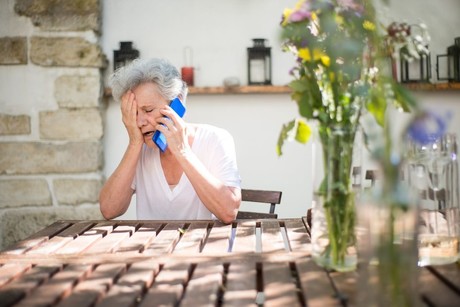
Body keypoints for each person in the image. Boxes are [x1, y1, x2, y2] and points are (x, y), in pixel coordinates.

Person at [99, 58, 241, 223]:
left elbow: (229, 212)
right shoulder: (139, 149)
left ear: (177, 103)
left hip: (201, 246)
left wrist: (183, 151)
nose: (140, 122)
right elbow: (109, 210)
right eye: (135, 114)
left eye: (148, 110)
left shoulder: (215, 139)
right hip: (149, 247)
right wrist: (134, 144)